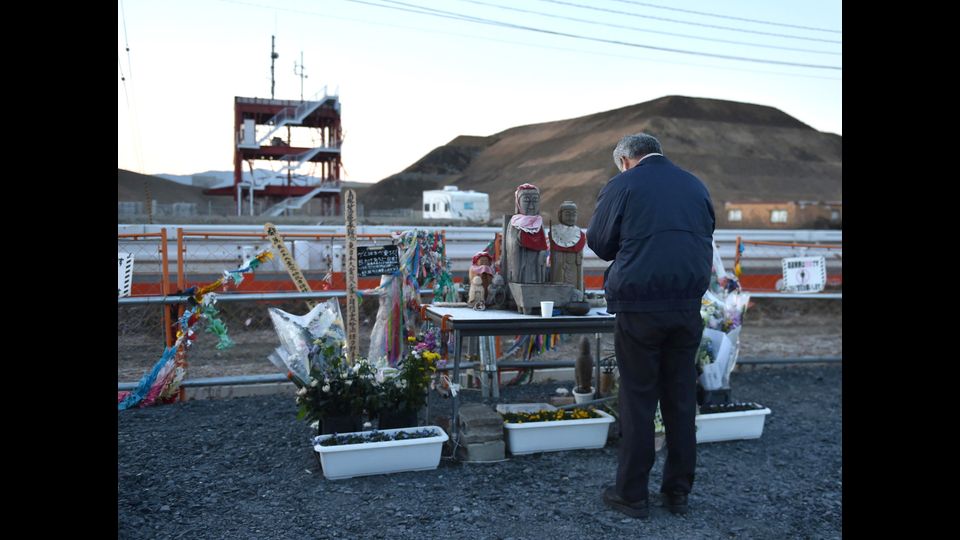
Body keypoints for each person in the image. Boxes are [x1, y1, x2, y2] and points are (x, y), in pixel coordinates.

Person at [587, 133, 715, 519]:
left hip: (640, 306)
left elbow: (600, 243)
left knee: (638, 399)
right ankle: (678, 493)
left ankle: (631, 495)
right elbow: (706, 233)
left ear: (625, 160)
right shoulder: (695, 185)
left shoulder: (623, 185)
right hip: (687, 305)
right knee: (681, 399)